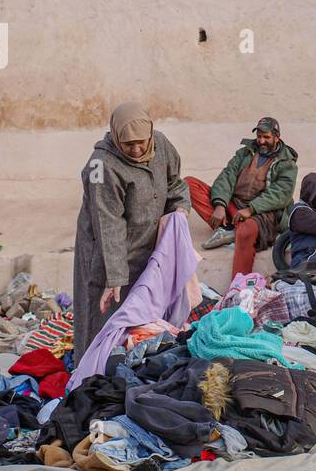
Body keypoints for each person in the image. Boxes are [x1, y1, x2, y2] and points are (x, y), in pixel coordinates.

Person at [73, 102, 190, 362]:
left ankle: (130, 363)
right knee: (103, 312)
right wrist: (114, 277)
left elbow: (174, 183)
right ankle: (89, 368)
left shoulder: (160, 145)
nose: (137, 149)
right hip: (106, 252)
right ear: (116, 137)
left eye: (141, 142)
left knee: (141, 310)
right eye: (128, 145)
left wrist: (180, 208)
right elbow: (108, 223)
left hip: (146, 242)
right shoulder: (101, 167)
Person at [185, 117, 299, 283]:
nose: (261, 141)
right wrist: (220, 204)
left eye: (266, 137)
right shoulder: (245, 153)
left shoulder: (287, 164)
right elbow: (227, 176)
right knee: (189, 184)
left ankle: (238, 286)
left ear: (277, 137)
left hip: (262, 214)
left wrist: (251, 209)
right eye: (259, 136)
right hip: (234, 206)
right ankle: (230, 229)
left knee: (246, 231)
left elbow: (281, 193)